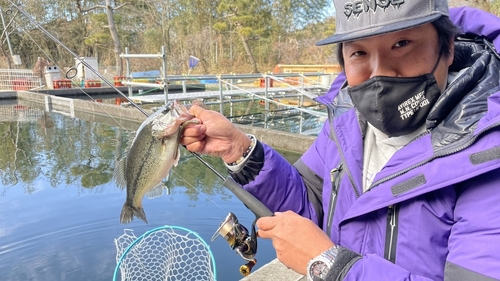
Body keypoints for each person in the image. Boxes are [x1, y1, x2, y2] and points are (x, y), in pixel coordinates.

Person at [181, 1, 500, 280]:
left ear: (448, 49)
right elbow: (309, 203)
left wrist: (332, 266)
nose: (379, 74)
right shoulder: (345, 120)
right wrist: (240, 150)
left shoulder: (488, 154)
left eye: (402, 43)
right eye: (359, 52)